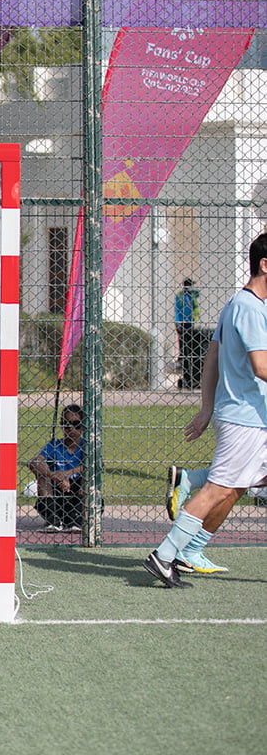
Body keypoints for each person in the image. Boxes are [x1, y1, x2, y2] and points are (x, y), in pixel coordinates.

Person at [145, 232, 267, 589]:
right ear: (265, 264)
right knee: (218, 490)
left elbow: (212, 357)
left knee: (243, 484)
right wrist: (212, 408)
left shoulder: (239, 305)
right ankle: (164, 555)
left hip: (249, 417)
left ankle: (190, 500)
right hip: (245, 419)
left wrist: (206, 407)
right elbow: (260, 366)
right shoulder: (246, 307)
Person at [28, 404, 85, 532]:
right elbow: (35, 462)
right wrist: (53, 475)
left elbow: (98, 464)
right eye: (66, 424)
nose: (71, 428)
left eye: (76, 424)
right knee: (42, 477)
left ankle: (75, 520)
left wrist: (67, 474)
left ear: (82, 426)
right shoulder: (55, 445)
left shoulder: (86, 446)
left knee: (86, 479)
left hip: (76, 492)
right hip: (57, 492)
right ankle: (53, 520)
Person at [175, 278, 201, 390]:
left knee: (191, 341)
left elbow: (199, 294)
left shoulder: (193, 295)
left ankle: (189, 352)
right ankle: (182, 354)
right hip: (183, 321)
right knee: (183, 340)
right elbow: (177, 309)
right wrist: (177, 322)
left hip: (191, 321)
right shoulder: (180, 296)